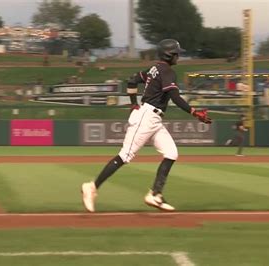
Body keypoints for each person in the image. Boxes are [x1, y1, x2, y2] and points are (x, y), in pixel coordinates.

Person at [81, 39, 212, 213]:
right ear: (169, 54)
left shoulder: (153, 69)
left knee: (171, 153)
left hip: (153, 118)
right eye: (176, 53)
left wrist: (133, 103)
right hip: (147, 117)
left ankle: (155, 194)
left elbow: (132, 80)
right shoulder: (167, 71)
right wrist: (194, 112)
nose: (178, 56)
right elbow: (175, 97)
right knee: (125, 155)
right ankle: (92, 187)